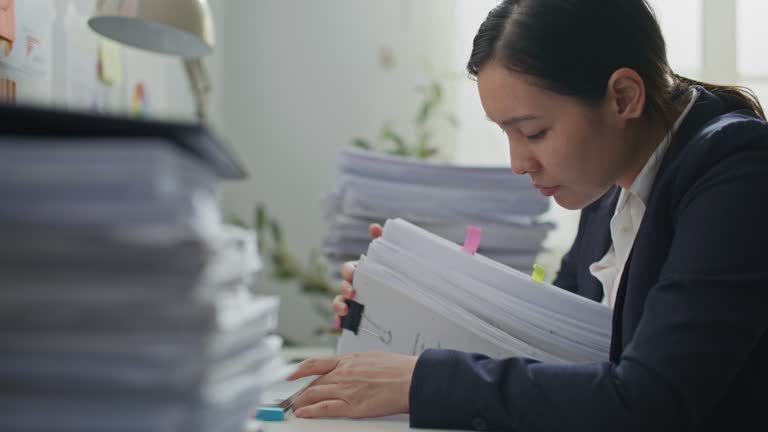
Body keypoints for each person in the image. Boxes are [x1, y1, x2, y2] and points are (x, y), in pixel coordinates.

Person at [286, 0, 768, 430]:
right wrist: (396, 307)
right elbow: (556, 351)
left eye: (533, 132)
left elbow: (649, 400)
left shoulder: (736, 171)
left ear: (623, 96)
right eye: (507, 134)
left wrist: (421, 381)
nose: (519, 162)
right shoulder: (610, 184)